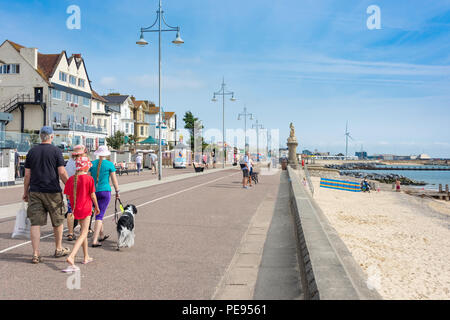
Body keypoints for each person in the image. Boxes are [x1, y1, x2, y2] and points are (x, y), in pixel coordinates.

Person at [22, 126, 70, 264]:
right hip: (53, 191)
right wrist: (70, 187)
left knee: (35, 223)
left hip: (35, 191)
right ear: (52, 137)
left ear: (40, 136)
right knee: (58, 221)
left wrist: (25, 192)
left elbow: (27, 175)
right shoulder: (56, 151)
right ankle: (58, 248)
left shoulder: (31, 152)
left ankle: (36, 253)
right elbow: (61, 173)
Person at [63, 157, 100, 272]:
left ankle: (86, 256)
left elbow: (68, 196)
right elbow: (93, 195)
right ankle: (71, 256)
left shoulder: (71, 179)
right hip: (86, 207)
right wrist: (97, 207)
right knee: (84, 233)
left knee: (82, 232)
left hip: (76, 208)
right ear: (85, 166)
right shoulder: (89, 179)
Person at [89, 145, 120, 247]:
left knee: (98, 213)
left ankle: (101, 235)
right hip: (105, 191)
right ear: (106, 154)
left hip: (93, 192)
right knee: (100, 216)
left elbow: (88, 179)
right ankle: (94, 240)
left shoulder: (92, 164)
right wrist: (117, 191)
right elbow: (114, 180)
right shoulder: (110, 164)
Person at [64, 144, 87, 241]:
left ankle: (70, 233)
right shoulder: (83, 161)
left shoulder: (69, 161)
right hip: (82, 188)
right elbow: (86, 173)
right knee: (83, 209)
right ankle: (84, 230)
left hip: (70, 185)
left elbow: (65, 173)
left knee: (70, 210)